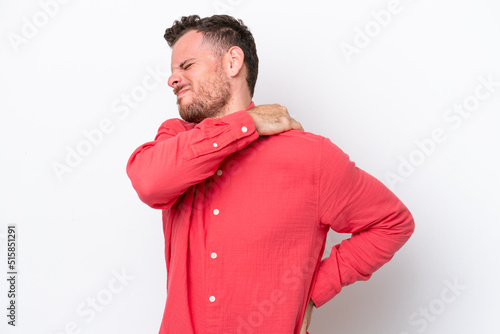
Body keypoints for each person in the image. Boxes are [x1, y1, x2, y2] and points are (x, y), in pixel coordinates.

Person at [126, 14, 414, 334]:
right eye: (172, 71)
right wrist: (248, 125)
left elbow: (392, 222)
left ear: (233, 62)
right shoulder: (174, 140)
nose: (172, 79)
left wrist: (314, 292)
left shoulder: (311, 157)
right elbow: (150, 182)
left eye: (187, 65)